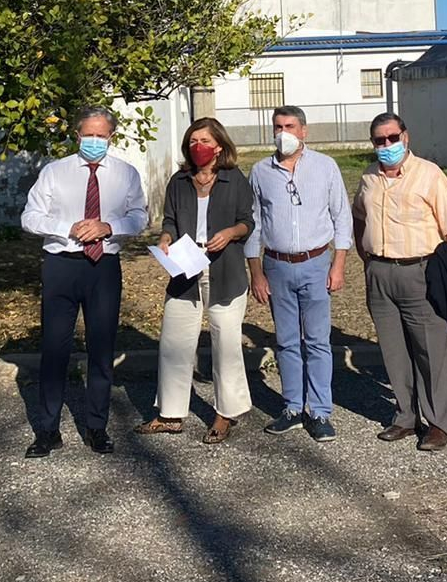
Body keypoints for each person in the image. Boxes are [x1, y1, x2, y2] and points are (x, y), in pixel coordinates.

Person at [20, 104, 148, 459]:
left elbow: (139, 217)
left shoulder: (126, 174)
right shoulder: (54, 172)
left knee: (102, 348)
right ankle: (47, 430)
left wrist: (109, 227)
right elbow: (30, 216)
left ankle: (97, 427)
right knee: (54, 349)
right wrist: (67, 228)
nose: (94, 141)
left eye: (101, 136)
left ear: (112, 137)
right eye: (87, 135)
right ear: (76, 135)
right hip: (61, 264)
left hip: (103, 267)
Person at [351, 111, 447, 452]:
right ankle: (405, 416)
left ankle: (438, 423)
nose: (386, 145)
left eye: (392, 137)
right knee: (393, 350)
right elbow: (360, 217)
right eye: (379, 140)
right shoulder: (369, 177)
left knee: (430, 351)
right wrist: (368, 256)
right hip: (380, 272)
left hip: (422, 270)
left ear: (406, 136)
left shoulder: (429, 174)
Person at [135, 118, 256, 444]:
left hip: (225, 268)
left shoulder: (235, 179)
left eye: (203, 140)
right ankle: (170, 414)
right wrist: (165, 237)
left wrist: (231, 233)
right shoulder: (180, 180)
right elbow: (170, 220)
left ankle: (225, 413)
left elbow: (248, 221)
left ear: (218, 145)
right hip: (186, 266)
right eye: (192, 141)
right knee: (174, 342)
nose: (196, 147)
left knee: (225, 344)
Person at [246, 105, 353, 442]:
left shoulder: (325, 167)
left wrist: (339, 264)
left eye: (290, 126)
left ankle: (320, 411)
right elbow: (253, 224)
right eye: (278, 126)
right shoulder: (261, 171)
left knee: (318, 341)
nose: (283, 133)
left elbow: (342, 216)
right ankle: (292, 406)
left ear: (304, 130)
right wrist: (256, 272)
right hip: (276, 265)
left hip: (316, 263)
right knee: (287, 341)